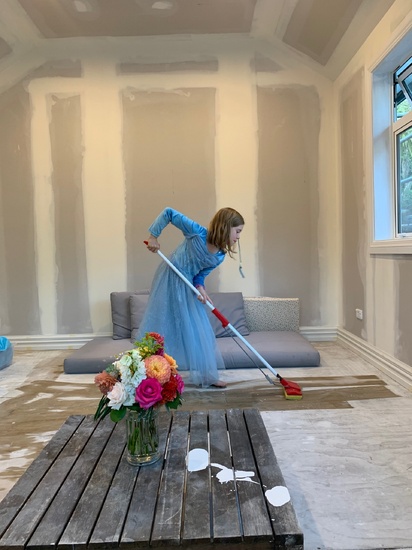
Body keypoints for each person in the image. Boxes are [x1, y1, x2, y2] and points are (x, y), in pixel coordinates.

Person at [138, 207, 245, 388]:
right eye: (238, 231)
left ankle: (207, 376)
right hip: (169, 278)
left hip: (187, 285)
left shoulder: (219, 256)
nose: (238, 237)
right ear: (226, 227)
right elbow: (169, 213)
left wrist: (200, 288)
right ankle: (144, 374)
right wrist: (153, 237)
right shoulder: (197, 232)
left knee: (199, 329)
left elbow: (200, 275)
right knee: (162, 324)